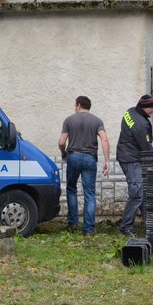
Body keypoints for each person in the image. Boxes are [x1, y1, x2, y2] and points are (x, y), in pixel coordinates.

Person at [58, 96, 110, 236]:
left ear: (79, 105)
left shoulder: (69, 120)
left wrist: (64, 153)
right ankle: (88, 230)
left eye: (75, 105)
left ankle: (73, 223)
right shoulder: (97, 121)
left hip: (73, 157)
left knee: (71, 189)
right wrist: (106, 160)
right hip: (89, 158)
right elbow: (104, 139)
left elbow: (62, 141)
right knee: (89, 193)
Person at [116, 94, 153, 236]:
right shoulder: (141, 124)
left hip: (125, 154)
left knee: (142, 192)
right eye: (151, 108)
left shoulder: (130, 111)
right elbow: (145, 145)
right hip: (131, 159)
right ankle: (125, 228)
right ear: (145, 107)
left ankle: (151, 224)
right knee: (137, 194)